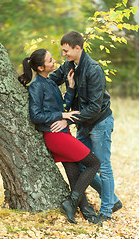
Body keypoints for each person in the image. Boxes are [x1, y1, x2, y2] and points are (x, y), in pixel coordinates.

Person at [18, 48, 101, 224]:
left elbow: (62, 106)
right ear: (41, 68)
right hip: (55, 136)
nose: (54, 61)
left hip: (62, 133)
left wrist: (70, 88)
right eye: (50, 60)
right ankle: (71, 203)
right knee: (94, 163)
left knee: (74, 175)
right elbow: (36, 116)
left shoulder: (49, 83)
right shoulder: (36, 87)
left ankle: (88, 213)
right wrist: (61, 116)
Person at [49, 31, 122, 223]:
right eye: (62, 51)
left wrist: (67, 120)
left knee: (103, 167)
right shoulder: (68, 66)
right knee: (81, 162)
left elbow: (94, 107)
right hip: (83, 124)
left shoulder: (93, 69)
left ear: (77, 48)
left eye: (66, 51)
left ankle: (106, 212)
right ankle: (113, 200)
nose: (63, 54)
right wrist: (33, 86)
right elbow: (49, 82)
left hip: (99, 123)